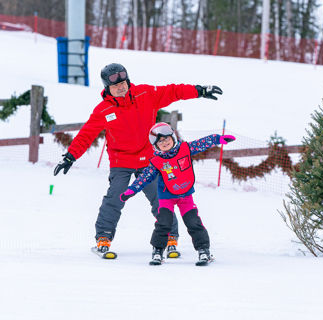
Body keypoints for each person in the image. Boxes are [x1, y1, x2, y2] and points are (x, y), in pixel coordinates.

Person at [53, 63, 223, 259]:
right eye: (116, 86)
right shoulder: (104, 110)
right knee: (115, 197)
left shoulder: (145, 95)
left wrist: (199, 91)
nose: (121, 87)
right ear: (107, 88)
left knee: (161, 199)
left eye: (124, 83)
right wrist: (70, 156)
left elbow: (173, 91)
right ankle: (103, 238)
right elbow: (86, 135)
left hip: (150, 160)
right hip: (121, 162)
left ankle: (170, 237)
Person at [119, 122, 236, 265]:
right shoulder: (157, 161)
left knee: (193, 222)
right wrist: (131, 190)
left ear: (173, 137)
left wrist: (218, 139)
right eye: (160, 141)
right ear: (156, 146)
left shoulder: (186, 149)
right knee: (163, 223)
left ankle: (204, 250)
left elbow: (202, 143)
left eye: (167, 138)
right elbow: (144, 177)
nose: (165, 142)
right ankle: (157, 251)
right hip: (166, 197)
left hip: (185, 195)